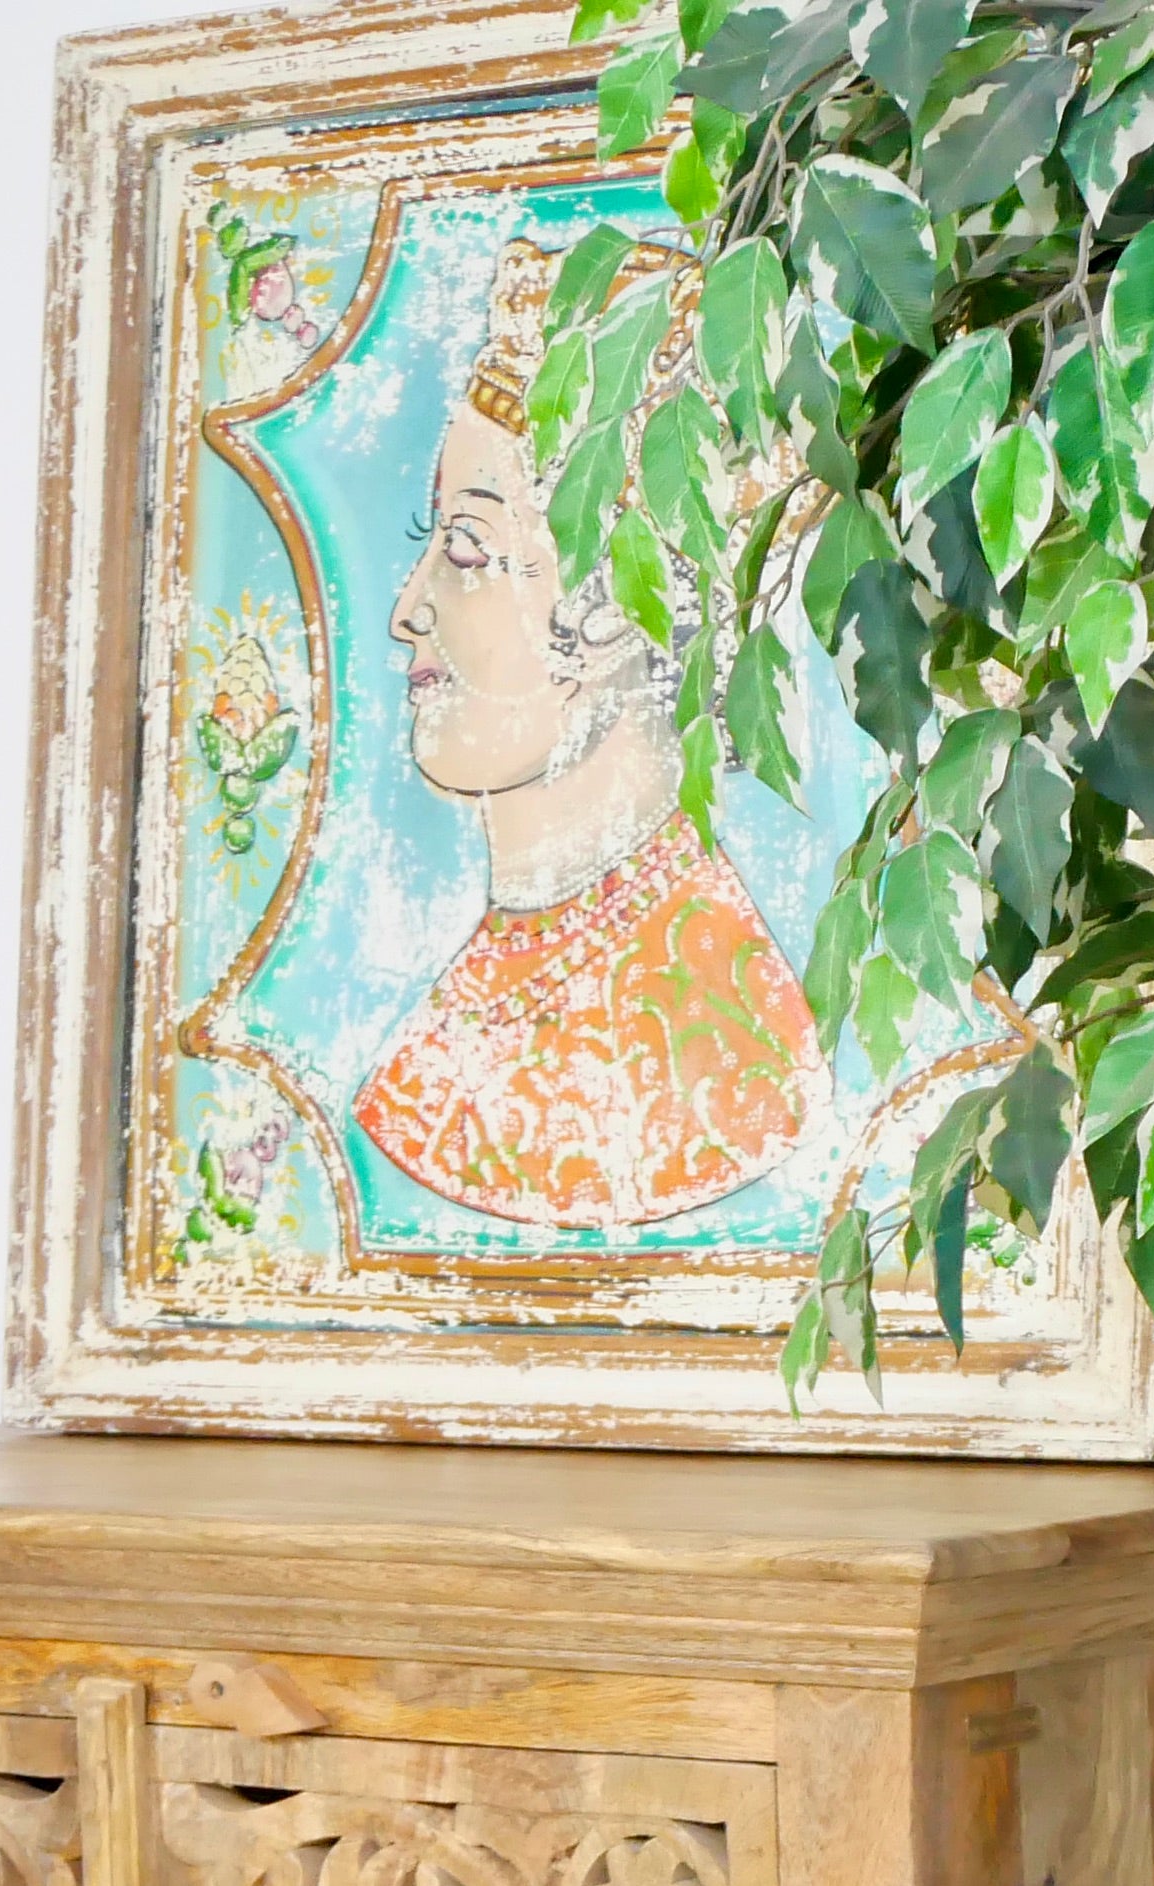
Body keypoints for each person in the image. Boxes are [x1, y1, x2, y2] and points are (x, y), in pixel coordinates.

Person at [349, 235, 820, 1231]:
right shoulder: (502, 982)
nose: (406, 609)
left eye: (467, 550)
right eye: (425, 546)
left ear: (617, 607)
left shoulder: (713, 1053)